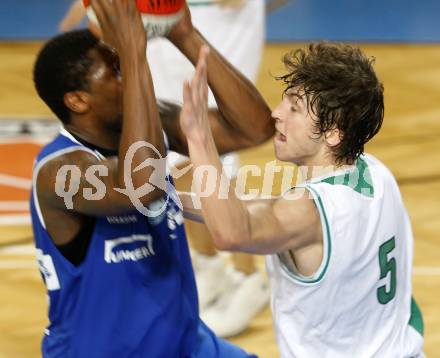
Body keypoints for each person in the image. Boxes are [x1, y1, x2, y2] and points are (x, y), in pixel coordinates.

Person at [31, 0, 273, 357]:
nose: (126, 75)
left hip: (188, 345)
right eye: (114, 72)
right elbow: (141, 187)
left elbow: (254, 129)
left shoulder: (151, 126)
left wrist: (186, 35)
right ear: (79, 101)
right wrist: (132, 54)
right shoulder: (60, 173)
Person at [178, 42, 425, 356]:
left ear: (333, 133)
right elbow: (256, 209)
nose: (277, 114)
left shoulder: (308, 212)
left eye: (294, 108)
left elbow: (232, 232)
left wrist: (199, 135)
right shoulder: (376, 173)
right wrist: (165, 197)